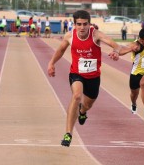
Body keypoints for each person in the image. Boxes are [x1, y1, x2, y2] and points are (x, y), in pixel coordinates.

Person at [47, 10, 130, 147]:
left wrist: (116, 52)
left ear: (89, 24)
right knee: (77, 96)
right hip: (76, 73)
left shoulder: (96, 35)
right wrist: (51, 63)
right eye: (79, 24)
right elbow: (61, 50)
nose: (82, 27)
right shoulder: (69, 36)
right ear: (74, 24)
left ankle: (82, 111)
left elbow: (116, 45)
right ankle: (68, 134)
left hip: (93, 76)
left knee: (88, 104)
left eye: (85, 24)